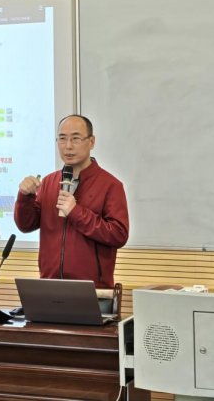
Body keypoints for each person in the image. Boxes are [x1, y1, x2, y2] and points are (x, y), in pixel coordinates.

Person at [15, 115, 129, 288]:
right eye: (62, 139)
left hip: (93, 289)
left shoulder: (110, 185)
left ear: (91, 142)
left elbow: (118, 235)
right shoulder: (49, 182)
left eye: (75, 138)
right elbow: (26, 225)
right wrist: (25, 197)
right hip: (50, 284)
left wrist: (76, 212)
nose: (68, 146)